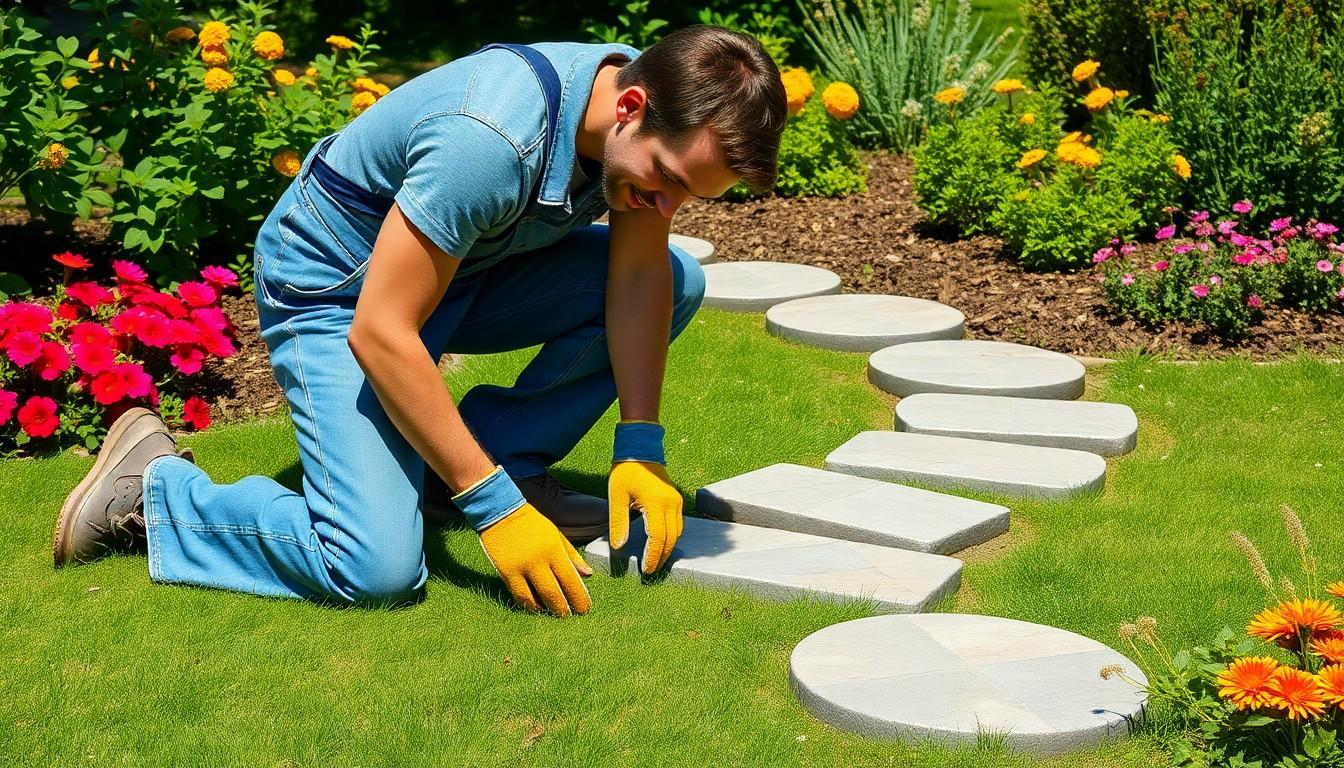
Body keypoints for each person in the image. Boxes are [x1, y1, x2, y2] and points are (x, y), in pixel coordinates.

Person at [52, 25, 787, 617]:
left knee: (676, 277)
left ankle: (470, 470)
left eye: (691, 196)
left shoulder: (635, 126)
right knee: (374, 568)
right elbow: (380, 331)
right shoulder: (490, 140)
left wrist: (642, 443)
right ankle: (155, 491)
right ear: (629, 107)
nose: (668, 207)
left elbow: (635, 274)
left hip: (462, 272)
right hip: (338, 292)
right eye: (668, 181)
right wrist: (495, 513)